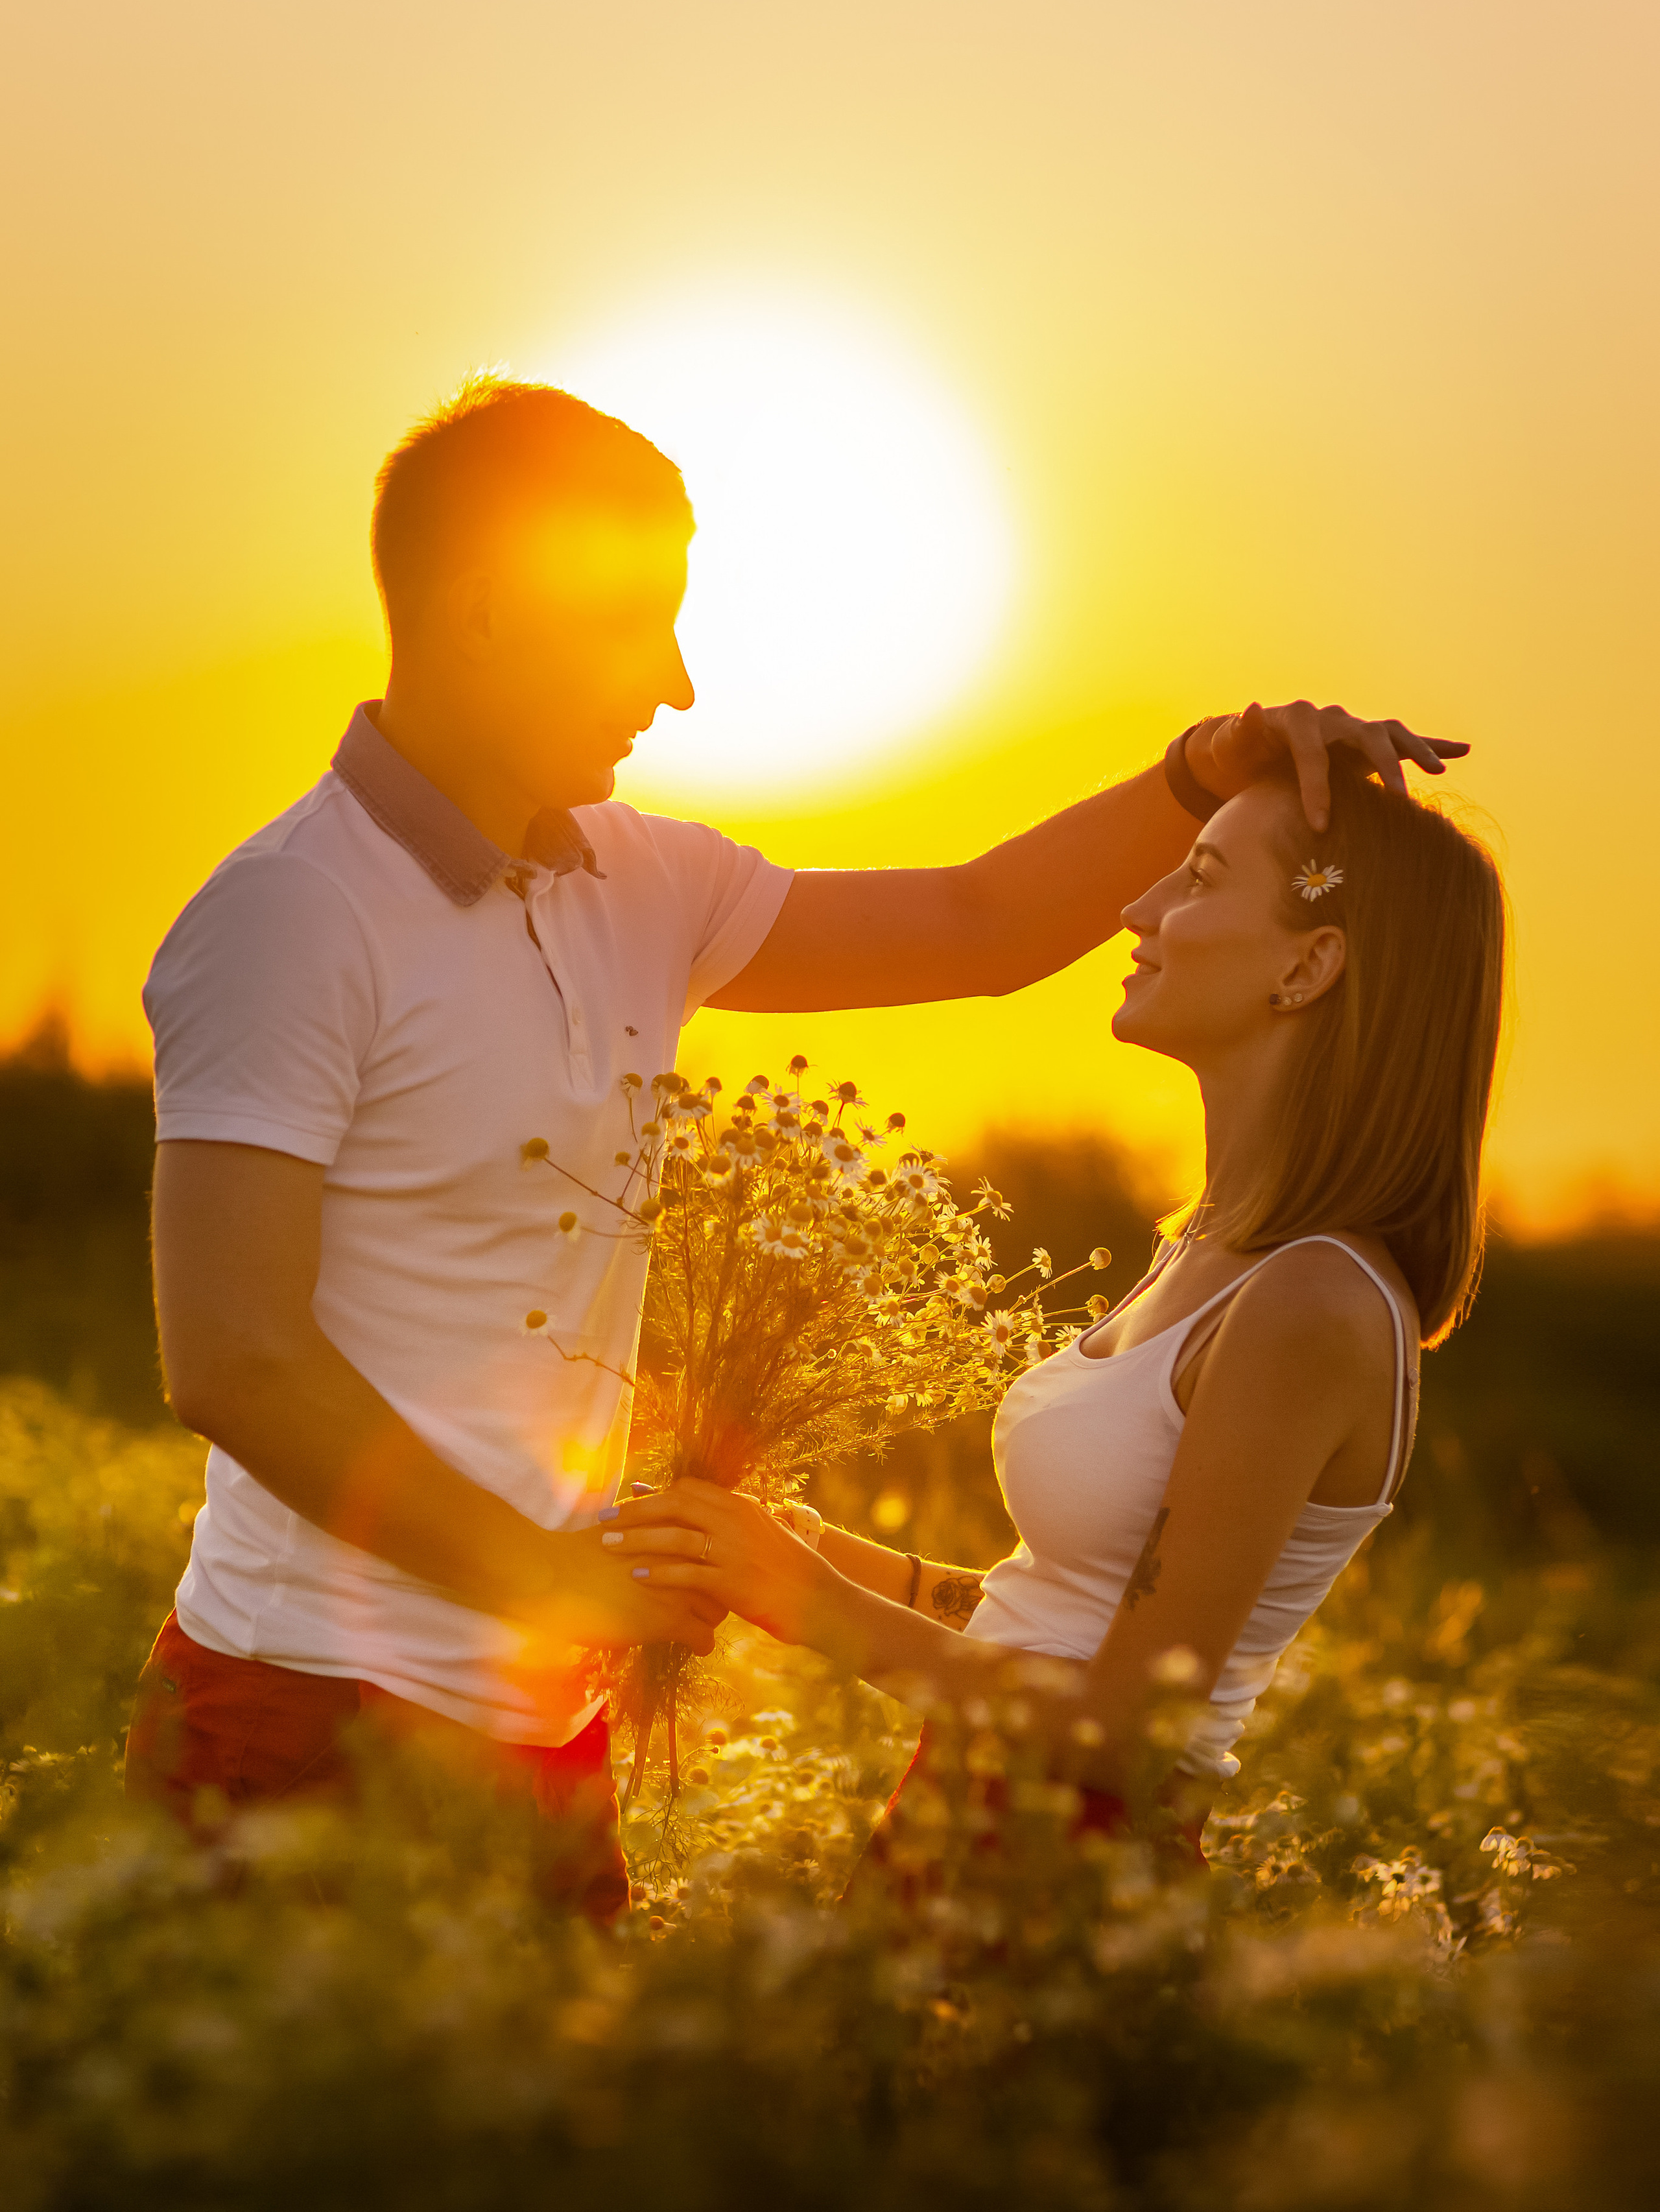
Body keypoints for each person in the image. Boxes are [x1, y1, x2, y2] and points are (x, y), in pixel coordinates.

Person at [128, 373, 1467, 1913]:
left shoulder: (639, 884)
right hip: (306, 1711)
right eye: (637, 625)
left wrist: (1197, 774)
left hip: (540, 1733)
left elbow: (978, 921)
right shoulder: (291, 912)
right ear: (488, 610)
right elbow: (230, 1356)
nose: (681, 684)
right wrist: (557, 1578)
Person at [597, 752, 1505, 1870]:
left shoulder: (1310, 1301)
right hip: (968, 1831)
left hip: (1066, 1875)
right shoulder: (1202, 1245)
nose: (1141, 909)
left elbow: (1128, 1732)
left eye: (1202, 878)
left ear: (1311, 964)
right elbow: (1073, 1614)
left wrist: (813, 1606)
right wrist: (836, 1558)